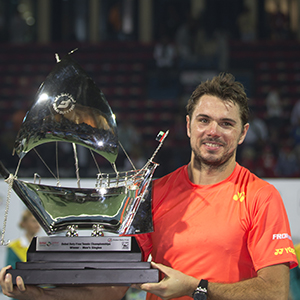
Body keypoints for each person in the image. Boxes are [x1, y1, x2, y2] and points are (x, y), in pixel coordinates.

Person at [0, 73, 298, 300]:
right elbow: (113, 286)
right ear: (188, 125)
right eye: (204, 120)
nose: (213, 132)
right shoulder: (153, 193)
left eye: (226, 124)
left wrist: (197, 287)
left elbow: (275, 292)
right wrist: (36, 294)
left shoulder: (261, 197)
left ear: (243, 132)